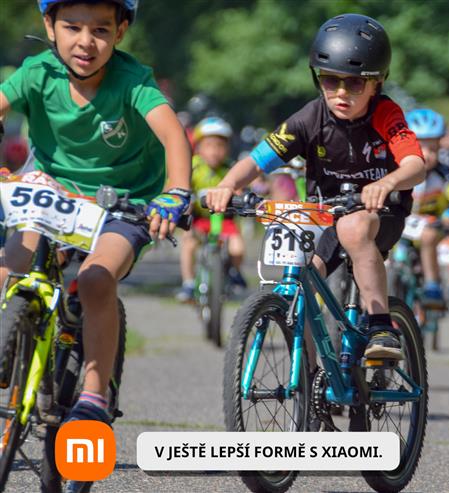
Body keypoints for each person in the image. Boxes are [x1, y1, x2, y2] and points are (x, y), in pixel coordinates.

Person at [0, 4, 191, 488]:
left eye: (101, 30)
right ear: (49, 27)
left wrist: (176, 191)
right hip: (52, 192)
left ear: (121, 31)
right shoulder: (36, 73)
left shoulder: (132, 80)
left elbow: (173, 135)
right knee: (10, 265)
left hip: (123, 204)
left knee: (94, 279)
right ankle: (11, 338)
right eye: (72, 27)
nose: (85, 41)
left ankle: (92, 395)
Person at [206, 14, 426, 361]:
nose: (341, 93)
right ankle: (311, 377)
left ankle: (381, 326)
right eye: (330, 80)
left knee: (354, 227)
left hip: (380, 214)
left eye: (355, 83)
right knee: (303, 285)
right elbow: (259, 159)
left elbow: (415, 164)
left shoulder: (386, 114)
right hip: (326, 217)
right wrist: (227, 185)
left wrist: (387, 182)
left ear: (377, 83)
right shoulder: (310, 117)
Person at [177, 117, 246, 303]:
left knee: (237, 246)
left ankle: (234, 271)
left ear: (227, 149)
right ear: (199, 147)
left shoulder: (229, 168)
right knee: (189, 242)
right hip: (199, 219)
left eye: (220, 146)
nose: (214, 151)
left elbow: (240, 186)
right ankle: (188, 282)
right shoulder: (193, 166)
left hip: (224, 219)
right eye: (209, 145)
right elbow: (183, 185)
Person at [404, 108, 449, 308]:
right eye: (419, 147)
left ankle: (433, 284)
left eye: (432, 149)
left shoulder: (442, 174)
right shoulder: (398, 170)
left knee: (430, 236)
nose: (426, 155)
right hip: (401, 226)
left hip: (432, 227)